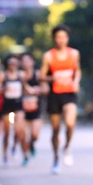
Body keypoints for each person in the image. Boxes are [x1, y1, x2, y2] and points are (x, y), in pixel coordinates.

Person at [41, 24, 81, 174]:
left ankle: (67, 147)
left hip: (69, 93)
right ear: (54, 39)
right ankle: (56, 156)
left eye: (63, 37)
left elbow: (77, 71)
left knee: (70, 124)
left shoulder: (74, 54)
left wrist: (76, 81)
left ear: (67, 38)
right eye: (58, 37)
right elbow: (42, 76)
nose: (61, 40)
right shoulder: (48, 56)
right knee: (55, 129)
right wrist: (52, 78)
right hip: (54, 94)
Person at [0, 54, 28, 166]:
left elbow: (25, 87)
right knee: (7, 132)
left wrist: (34, 91)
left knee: (19, 130)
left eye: (15, 63)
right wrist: (3, 89)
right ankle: (5, 155)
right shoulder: (3, 75)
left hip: (18, 105)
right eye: (10, 63)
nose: (12, 65)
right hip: (7, 106)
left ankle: (15, 147)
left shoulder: (21, 75)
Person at [20, 52, 45, 161]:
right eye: (23, 61)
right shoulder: (19, 75)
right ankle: (25, 156)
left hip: (36, 109)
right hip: (21, 109)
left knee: (35, 135)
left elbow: (46, 88)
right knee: (22, 135)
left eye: (28, 61)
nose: (26, 63)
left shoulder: (38, 75)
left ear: (32, 62)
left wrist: (38, 90)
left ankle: (32, 144)